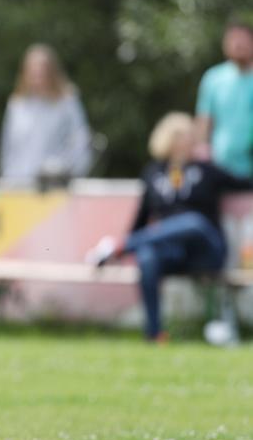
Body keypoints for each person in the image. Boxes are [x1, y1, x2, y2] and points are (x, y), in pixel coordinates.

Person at [87, 112, 251, 342]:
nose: (188, 141)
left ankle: (118, 247)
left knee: (193, 221)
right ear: (168, 140)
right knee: (147, 257)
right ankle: (155, 334)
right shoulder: (153, 174)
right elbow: (141, 220)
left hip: (206, 250)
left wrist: (127, 242)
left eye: (190, 136)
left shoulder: (207, 171)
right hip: (172, 251)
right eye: (181, 136)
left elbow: (244, 182)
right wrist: (135, 238)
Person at [0, 44, 92, 182]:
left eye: (41, 72)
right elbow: (7, 148)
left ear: (52, 73)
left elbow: (81, 142)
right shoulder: (16, 104)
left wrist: (66, 170)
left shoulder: (67, 102)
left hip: (55, 187)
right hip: (18, 187)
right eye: (32, 72)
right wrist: (5, 179)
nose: (37, 77)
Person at [195, 21, 253, 178]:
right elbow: (204, 119)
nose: (238, 44)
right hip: (220, 163)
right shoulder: (213, 78)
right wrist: (201, 148)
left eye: (243, 40)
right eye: (233, 40)